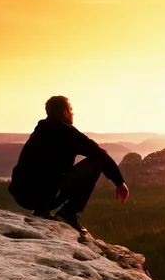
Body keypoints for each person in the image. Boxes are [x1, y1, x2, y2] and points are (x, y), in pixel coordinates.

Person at [8, 96, 129, 233]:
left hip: (22, 196)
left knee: (47, 174)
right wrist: (119, 182)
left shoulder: (39, 131)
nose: (73, 113)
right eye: (71, 110)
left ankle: (42, 211)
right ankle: (68, 213)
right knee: (96, 163)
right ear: (65, 113)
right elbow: (99, 154)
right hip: (45, 195)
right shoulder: (67, 133)